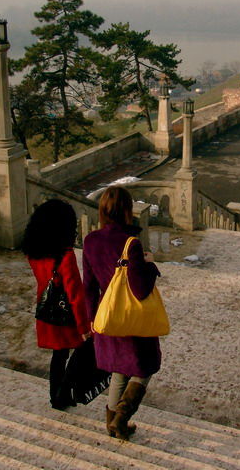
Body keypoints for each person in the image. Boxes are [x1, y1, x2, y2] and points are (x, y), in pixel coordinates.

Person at [83, 186, 161, 440]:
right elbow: (139, 289)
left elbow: (88, 286)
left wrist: (92, 319)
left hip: (106, 315)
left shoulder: (91, 240)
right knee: (145, 367)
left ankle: (112, 424)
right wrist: (150, 265)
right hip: (130, 317)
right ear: (127, 210)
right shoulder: (131, 243)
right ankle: (121, 417)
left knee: (118, 369)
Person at [23, 199, 90, 410]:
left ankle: (58, 396)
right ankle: (63, 394)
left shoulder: (34, 252)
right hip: (66, 315)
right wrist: (85, 327)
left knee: (59, 356)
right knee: (78, 354)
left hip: (47, 311)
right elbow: (75, 294)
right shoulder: (65, 256)